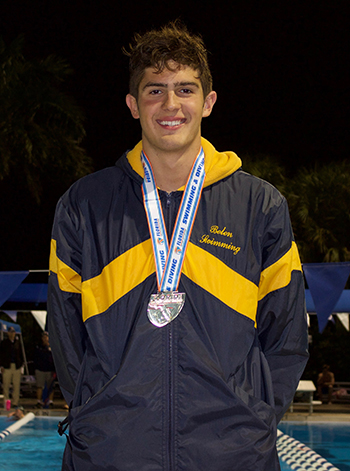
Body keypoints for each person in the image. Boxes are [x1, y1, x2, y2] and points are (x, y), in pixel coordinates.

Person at [48, 21, 309, 471]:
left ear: (208, 102)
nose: (171, 105)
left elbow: (286, 334)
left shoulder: (259, 204)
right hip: (113, 452)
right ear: (133, 105)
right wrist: (93, 413)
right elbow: (65, 330)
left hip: (233, 453)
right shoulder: (85, 204)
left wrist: (255, 416)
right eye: (155, 90)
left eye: (185, 89)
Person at [0, 326, 23, 408]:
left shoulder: (17, 342)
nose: (12, 333)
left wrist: (21, 365)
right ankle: (6, 403)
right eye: (10, 332)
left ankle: (15, 402)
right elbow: (1, 355)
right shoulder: (4, 343)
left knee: (16, 385)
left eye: (13, 332)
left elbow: (20, 354)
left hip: (16, 366)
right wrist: (1, 366)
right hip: (6, 366)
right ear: (8, 333)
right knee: (6, 385)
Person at [33, 331, 56, 408]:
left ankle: (50, 401)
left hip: (50, 370)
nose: (45, 338)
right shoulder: (39, 347)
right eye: (44, 337)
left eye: (47, 337)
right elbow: (36, 357)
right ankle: (39, 401)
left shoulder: (52, 347)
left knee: (51, 386)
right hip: (40, 369)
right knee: (40, 386)